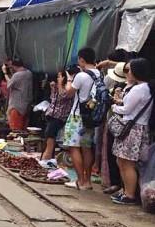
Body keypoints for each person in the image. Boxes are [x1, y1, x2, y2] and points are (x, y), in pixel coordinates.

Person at [110, 58, 154, 205]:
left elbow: (127, 109)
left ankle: (129, 195)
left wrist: (114, 107)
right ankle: (126, 192)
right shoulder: (144, 87)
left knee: (126, 163)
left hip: (132, 129)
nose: (127, 73)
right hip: (136, 128)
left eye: (128, 70)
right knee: (122, 161)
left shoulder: (139, 89)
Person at [63, 47, 100, 190]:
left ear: (82, 60)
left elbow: (69, 93)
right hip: (90, 116)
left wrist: (69, 79)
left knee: (74, 148)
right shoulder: (99, 74)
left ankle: (80, 181)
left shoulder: (81, 76)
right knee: (86, 148)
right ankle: (88, 181)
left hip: (77, 116)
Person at [102, 62, 128, 194]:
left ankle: (119, 184)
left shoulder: (126, 89)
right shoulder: (121, 87)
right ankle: (115, 183)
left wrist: (114, 103)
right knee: (113, 153)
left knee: (118, 156)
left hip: (120, 125)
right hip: (113, 123)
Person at [42, 69, 74, 160]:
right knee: (48, 136)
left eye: (60, 77)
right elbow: (53, 99)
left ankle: (46, 157)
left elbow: (63, 95)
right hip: (52, 115)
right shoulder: (56, 86)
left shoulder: (68, 88)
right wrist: (53, 88)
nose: (58, 78)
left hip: (59, 117)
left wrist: (60, 84)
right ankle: (47, 157)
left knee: (50, 137)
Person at [2, 58, 33, 131]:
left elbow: (9, 84)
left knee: (15, 130)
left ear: (14, 66)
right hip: (26, 105)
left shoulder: (17, 75)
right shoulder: (29, 73)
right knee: (23, 130)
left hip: (16, 107)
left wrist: (5, 73)